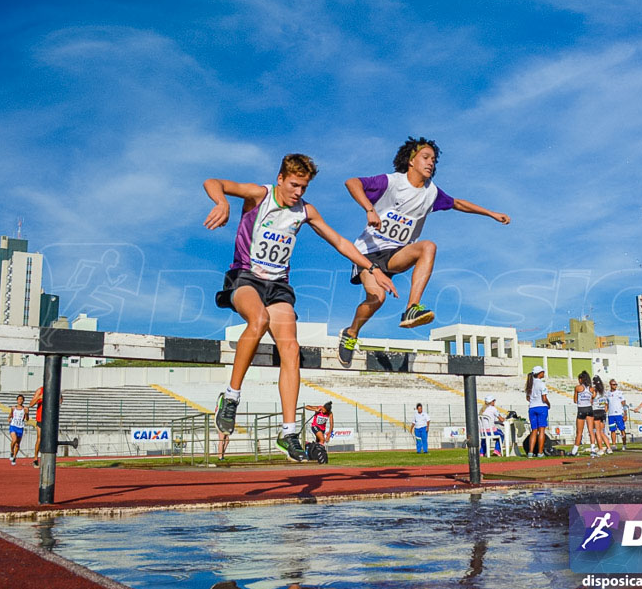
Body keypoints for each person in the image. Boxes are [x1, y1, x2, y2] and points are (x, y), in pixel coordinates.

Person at [205, 154, 398, 462]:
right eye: (294, 185)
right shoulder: (259, 195)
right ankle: (230, 398)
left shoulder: (305, 212)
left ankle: (289, 432)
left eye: (304, 187)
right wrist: (222, 202)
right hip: (246, 278)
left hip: (278, 286)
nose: (298, 192)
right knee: (258, 319)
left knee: (291, 349)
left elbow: (339, 242)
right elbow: (213, 182)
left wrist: (372, 268)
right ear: (280, 178)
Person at [336, 137, 510, 365]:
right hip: (368, 252)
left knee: (428, 246)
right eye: (426, 158)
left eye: (434, 160)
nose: (431, 163)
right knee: (377, 298)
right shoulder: (391, 182)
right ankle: (351, 333)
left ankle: (411, 308)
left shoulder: (431, 193)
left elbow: (458, 203)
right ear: (411, 160)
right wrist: (370, 209)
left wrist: (491, 213)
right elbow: (352, 182)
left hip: (397, 254)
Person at [27, 387, 63, 468]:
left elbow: (60, 401)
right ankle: (35, 458)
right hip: (41, 418)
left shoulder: (56, 388)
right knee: (39, 438)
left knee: (51, 438)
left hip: (50, 419)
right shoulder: (40, 390)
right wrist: (39, 397)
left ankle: (49, 457)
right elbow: (31, 404)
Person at [525, 365, 550, 457]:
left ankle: (530, 452)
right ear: (539, 374)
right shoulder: (541, 384)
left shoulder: (530, 384)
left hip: (532, 407)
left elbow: (528, 398)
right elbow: (544, 398)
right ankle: (540, 452)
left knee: (534, 431)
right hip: (541, 407)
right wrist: (548, 404)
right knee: (542, 431)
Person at [570, 371, 594, 456]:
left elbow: (575, 400)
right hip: (589, 409)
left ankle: (574, 451)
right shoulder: (591, 388)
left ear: (581, 379)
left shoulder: (578, 388)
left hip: (581, 409)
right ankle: (593, 450)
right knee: (591, 430)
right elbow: (593, 398)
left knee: (579, 432)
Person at [591, 376, 613, 456]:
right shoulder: (604, 391)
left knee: (597, 432)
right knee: (602, 431)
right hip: (602, 411)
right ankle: (609, 448)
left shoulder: (594, 390)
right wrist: (604, 411)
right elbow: (607, 404)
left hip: (596, 410)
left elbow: (592, 399)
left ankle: (600, 449)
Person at [606, 379, 630, 450]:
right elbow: (606, 405)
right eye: (613, 384)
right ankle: (614, 445)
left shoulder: (619, 393)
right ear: (610, 385)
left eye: (616, 384)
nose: (615, 386)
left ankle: (624, 444)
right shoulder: (607, 394)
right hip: (611, 414)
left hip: (619, 414)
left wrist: (625, 414)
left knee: (622, 429)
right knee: (612, 430)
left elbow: (624, 404)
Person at [7, 394, 28, 465]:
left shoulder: (25, 409)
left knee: (17, 444)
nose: (20, 401)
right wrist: (9, 418)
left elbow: (27, 419)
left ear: (23, 400)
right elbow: (10, 415)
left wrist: (27, 413)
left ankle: (14, 457)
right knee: (14, 440)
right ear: (17, 400)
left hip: (20, 426)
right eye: (19, 399)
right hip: (13, 425)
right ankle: (11, 452)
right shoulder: (13, 408)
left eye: (21, 399)